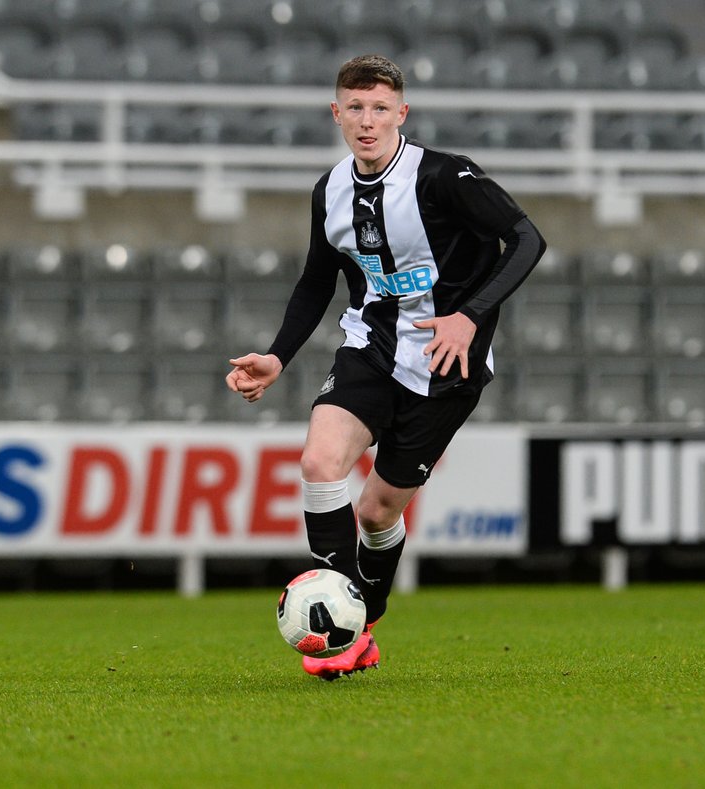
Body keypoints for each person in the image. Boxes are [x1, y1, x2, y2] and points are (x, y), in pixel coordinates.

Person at [226, 55, 546, 680]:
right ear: (337, 113)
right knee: (320, 463)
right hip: (370, 344)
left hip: (448, 362)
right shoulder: (330, 191)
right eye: (355, 108)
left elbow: (528, 239)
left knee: (377, 513)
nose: (366, 122)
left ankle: (363, 622)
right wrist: (277, 356)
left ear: (401, 113)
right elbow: (318, 278)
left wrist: (470, 315)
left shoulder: (446, 176)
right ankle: (341, 631)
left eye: (380, 109)